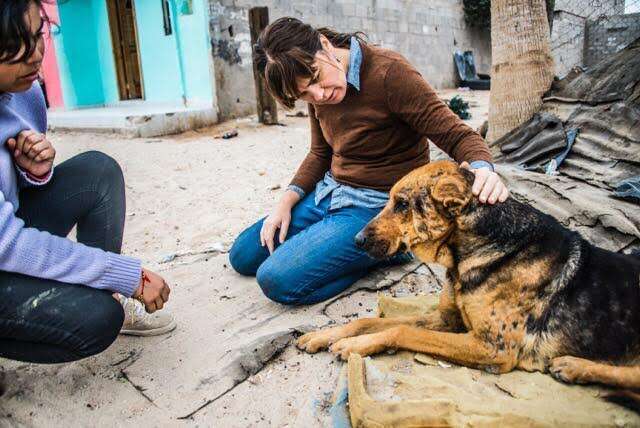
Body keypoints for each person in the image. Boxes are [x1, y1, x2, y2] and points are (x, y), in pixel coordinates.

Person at [229, 17, 509, 305]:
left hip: (374, 207)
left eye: (315, 78)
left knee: (276, 280)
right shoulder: (318, 93)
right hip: (330, 194)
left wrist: (482, 169)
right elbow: (320, 153)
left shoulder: (390, 74)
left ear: (324, 45)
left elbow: (457, 135)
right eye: (303, 94)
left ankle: (392, 249)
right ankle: (339, 246)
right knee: (242, 255)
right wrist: (285, 203)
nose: (319, 95)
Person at [0, 0, 175, 367]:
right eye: (17, 43)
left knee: (98, 171)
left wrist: (35, 171)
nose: (36, 55)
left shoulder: (25, 93)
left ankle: (102, 294)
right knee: (97, 320)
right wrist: (128, 275)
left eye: (38, 34)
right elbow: (9, 244)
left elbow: (12, 197)